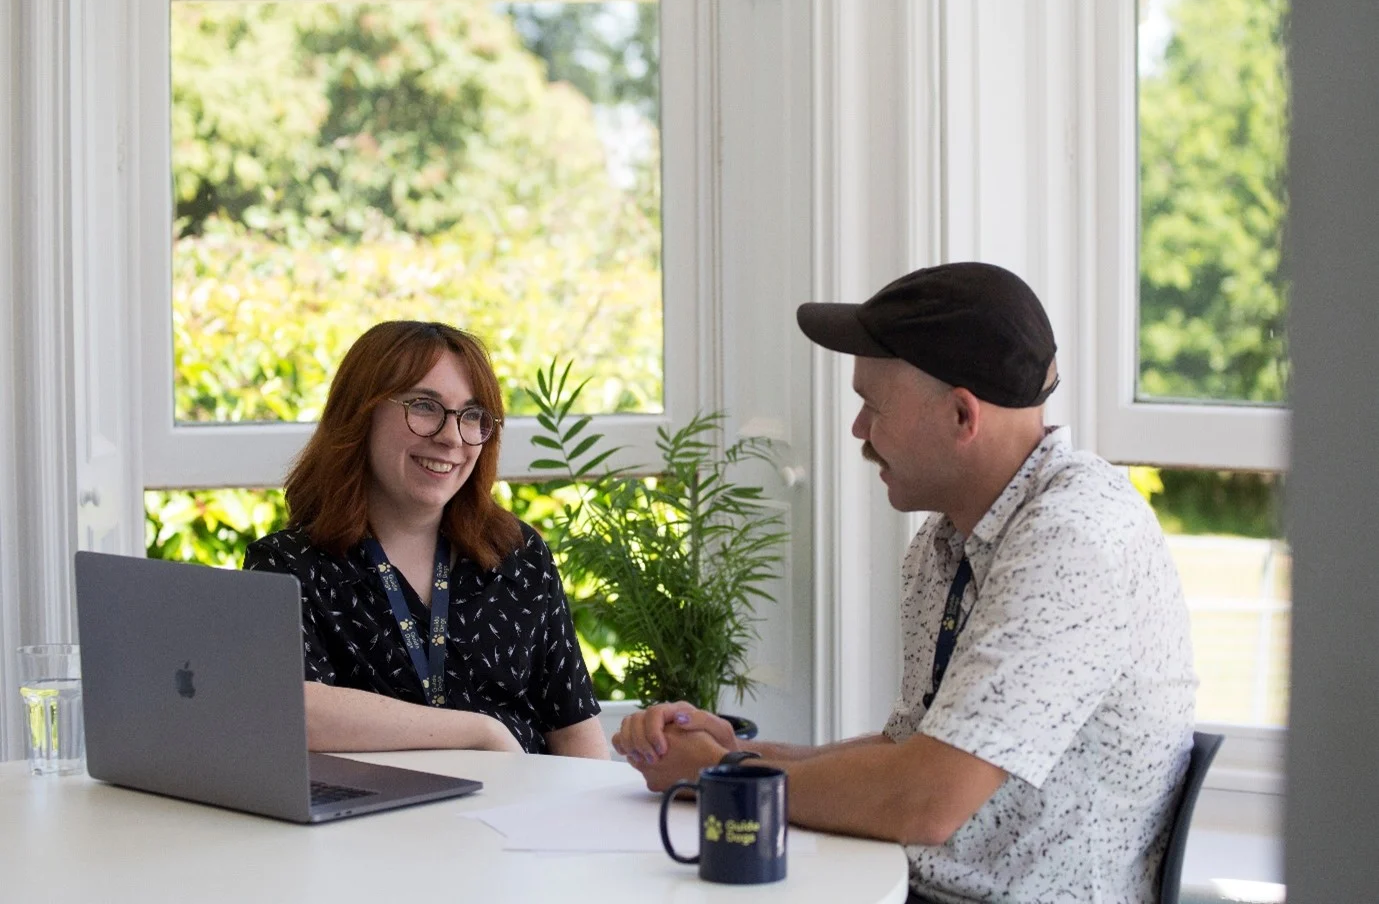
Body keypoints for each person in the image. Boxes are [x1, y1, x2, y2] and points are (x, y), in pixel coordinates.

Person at [613, 262, 1197, 902]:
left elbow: (925, 801)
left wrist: (721, 774)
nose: (858, 431)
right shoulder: (946, 540)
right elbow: (911, 752)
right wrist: (733, 754)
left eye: (872, 405)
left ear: (962, 417)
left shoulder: (1073, 543)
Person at [245, 320, 608, 759]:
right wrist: (481, 732)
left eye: (473, 416)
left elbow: (575, 732)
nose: (452, 437)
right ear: (360, 415)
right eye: (424, 407)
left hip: (517, 821)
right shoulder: (289, 566)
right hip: (372, 824)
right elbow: (291, 708)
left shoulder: (518, 554)